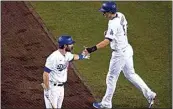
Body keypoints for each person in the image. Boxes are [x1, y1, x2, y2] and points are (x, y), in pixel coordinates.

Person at [83, 1, 156, 109]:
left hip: (119, 54)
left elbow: (106, 42)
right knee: (130, 74)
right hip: (127, 49)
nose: (103, 14)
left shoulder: (113, 23)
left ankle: (106, 104)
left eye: (105, 12)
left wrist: (91, 49)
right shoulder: (121, 15)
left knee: (111, 78)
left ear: (110, 12)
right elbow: (120, 30)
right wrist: (110, 33)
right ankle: (150, 94)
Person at [43, 35, 89, 109]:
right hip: (52, 88)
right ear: (65, 46)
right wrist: (47, 89)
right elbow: (45, 74)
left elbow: (73, 57)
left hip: (61, 88)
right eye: (70, 44)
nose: (72, 45)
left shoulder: (67, 55)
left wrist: (82, 56)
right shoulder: (53, 57)